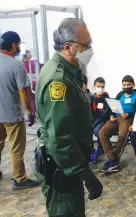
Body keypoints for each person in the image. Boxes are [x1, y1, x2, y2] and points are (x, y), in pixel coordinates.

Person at [34, 18, 103, 217]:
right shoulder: (59, 81)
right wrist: (88, 176)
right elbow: (60, 140)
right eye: (86, 45)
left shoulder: (69, 70)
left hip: (67, 165)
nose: (90, 49)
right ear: (68, 47)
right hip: (60, 166)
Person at [0, 31, 38, 190]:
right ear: (13, 45)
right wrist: (29, 111)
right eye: (18, 45)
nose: (19, 48)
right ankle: (20, 179)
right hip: (12, 114)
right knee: (16, 147)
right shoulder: (16, 65)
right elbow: (23, 91)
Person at [99, 75, 136, 173]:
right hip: (116, 118)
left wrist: (128, 114)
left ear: (133, 85)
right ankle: (112, 159)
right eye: (124, 85)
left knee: (122, 136)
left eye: (129, 84)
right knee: (102, 133)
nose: (126, 87)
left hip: (128, 119)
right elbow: (113, 106)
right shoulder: (120, 94)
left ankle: (114, 162)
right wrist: (111, 115)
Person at [90, 77, 110, 163]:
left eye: (102, 87)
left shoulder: (106, 98)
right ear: (94, 86)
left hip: (102, 120)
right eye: (98, 86)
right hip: (92, 120)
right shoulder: (90, 98)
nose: (100, 89)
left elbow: (105, 113)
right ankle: (90, 150)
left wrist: (95, 123)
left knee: (97, 130)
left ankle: (101, 148)